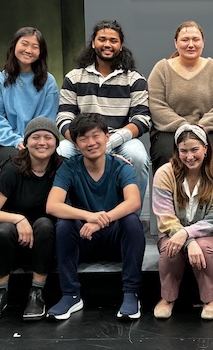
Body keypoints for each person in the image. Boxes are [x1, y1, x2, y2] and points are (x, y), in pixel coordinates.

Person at [46, 112, 145, 321]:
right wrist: (89, 217)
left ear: (107, 136)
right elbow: (52, 205)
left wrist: (101, 221)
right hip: (85, 238)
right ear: (75, 142)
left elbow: (134, 202)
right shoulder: (70, 167)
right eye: (83, 138)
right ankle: (70, 294)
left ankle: (131, 293)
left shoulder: (120, 166)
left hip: (115, 241)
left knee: (132, 222)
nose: (91, 143)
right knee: (64, 224)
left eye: (95, 136)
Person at [0, 117, 64, 322]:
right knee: (3, 228)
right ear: (25, 142)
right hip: (11, 244)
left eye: (48, 137)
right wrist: (18, 219)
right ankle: (0, 294)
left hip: (45, 243)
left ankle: (37, 293)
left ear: (56, 143)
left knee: (44, 224)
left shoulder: (63, 167)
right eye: (35, 137)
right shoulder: (12, 169)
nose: (42, 142)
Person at [56, 20, 150, 208]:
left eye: (113, 40)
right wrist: (83, 142)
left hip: (120, 139)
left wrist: (109, 142)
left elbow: (142, 120)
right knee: (62, 152)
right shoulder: (74, 77)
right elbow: (63, 118)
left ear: (120, 46)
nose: (107, 44)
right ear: (93, 43)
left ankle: (130, 216)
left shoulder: (135, 79)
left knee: (138, 156)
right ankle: (69, 215)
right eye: (102, 39)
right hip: (82, 139)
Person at [152, 124, 213, 320]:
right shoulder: (164, 174)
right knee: (172, 247)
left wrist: (187, 234)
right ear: (177, 151)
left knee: (203, 247)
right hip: (173, 234)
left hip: (211, 237)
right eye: (183, 151)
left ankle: (211, 299)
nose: (189, 156)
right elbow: (165, 217)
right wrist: (187, 241)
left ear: (205, 148)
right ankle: (167, 298)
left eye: (195, 149)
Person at [148, 21, 213, 173]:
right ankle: (170, 197)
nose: (191, 44)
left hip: (209, 131)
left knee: (210, 157)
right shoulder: (162, 69)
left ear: (203, 42)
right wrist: (183, 126)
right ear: (175, 43)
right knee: (166, 156)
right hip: (170, 132)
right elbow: (156, 105)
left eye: (196, 39)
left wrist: (200, 127)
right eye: (185, 40)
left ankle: (208, 197)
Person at [0, 27, 59, 167]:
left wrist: (33, 141)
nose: (28, 50)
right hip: (7, 142)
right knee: (17, 165)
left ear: (40, 52)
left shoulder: (49, 82)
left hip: (40, 142)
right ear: (14, 46)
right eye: (24, 44)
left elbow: (48, 119)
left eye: (35, 47)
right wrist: (16, 141)